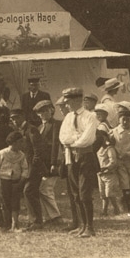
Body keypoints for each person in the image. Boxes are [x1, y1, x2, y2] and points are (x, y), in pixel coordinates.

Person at [58, 87, 98, 238]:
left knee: (85, 193)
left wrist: (73, 141)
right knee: (75, 193)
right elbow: (63, 137)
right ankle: (82, 225)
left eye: (68, 102)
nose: (66, 105)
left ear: (76, 100)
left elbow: (87, 139)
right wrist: (75, 138)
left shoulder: (90, 116)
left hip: (85, 157)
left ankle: (90, 227)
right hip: (71, 157)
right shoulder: (68, 117)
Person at [12, 107, 47, 231]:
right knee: (29, 192)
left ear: (23, 117)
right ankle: (34, 220)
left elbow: (38, 149)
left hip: (34, 168)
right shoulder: (19, 130)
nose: (14, 121)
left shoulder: (31, 129)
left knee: (29, 191)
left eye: (16, 118)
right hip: (25, 167)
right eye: (12, 119)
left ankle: (36, 221)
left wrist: (33, 166)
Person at [0, 131, 28, 232]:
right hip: (4, 181)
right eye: (20, 142)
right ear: (13, 143)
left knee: (15, 202)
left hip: (16, 182)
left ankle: (15, 225)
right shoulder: (2, 153)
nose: (21, 144)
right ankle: (6, 224)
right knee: (5, 202)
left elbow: (25, 169)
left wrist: (21, 181)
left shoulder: (21, 155)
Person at [34, 100, 63, 225]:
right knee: (43, 189)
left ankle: (56, 216)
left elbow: (56, 144)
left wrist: (54, 163)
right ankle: (50, 217)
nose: (43, 114)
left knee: (46, 189)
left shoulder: (56, 124)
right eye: (40, 112)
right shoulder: (40, 128)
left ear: (51, 110)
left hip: (52, 162)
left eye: (46, 111)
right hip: (43, 164)